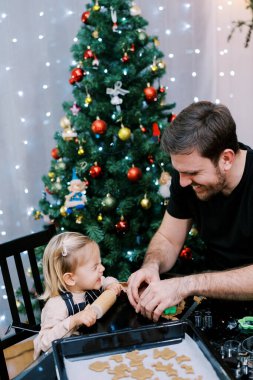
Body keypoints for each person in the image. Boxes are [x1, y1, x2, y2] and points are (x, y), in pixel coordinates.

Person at [127, 100, 253, 322]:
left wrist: (186, 284)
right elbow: (168, 238)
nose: (183, 182)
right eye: (179, 172)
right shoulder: (187, 177)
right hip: (215, 305)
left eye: (193, 173)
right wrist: (151, 266)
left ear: (226, 159)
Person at [33, 231, 122, 359]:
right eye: (94, 267)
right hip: (69, 357)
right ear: (70, 278)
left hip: (92, 348)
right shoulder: (57, 306)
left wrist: (110, 285)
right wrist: (74, 320)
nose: (102, 268)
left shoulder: (92, 284)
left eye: (100, 263)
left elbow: (108, 279)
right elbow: (43, 344)